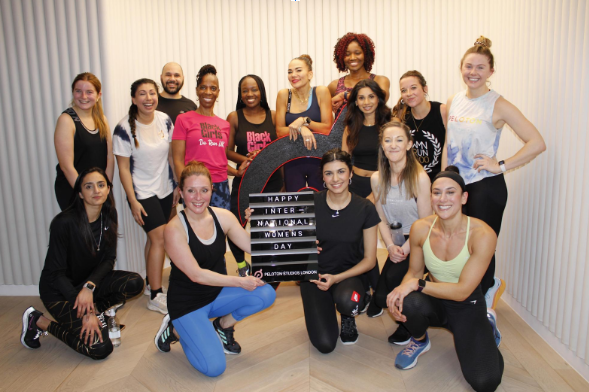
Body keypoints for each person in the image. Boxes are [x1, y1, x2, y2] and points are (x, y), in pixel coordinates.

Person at [443, 36, 546, 309]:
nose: (473, 73)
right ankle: (466, 295)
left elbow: (537, 143)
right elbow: (448, 142)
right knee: (457, 243)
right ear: (461, 68)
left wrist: (499, 165)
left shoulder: (497, 104)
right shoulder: (453, 101)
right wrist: (443, 180)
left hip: (485, 187)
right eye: (468, 66)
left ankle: (485, 294)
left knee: (482, 246)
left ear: (491, 72)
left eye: (480, 67)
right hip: (456, 186)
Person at [153, 161, 276, 377]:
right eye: (191, 191)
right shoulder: (173, 229)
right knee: (214, 368)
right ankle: (174, 328)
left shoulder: (223, 217)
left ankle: (222, 326)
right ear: (181, 192)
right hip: (187, 304)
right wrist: (240, 281)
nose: (198, 197)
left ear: (213, 190)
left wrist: (300, 246)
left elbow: (252, 246)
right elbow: (196, 274)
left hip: (216, 294)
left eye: (204, 190)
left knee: (265, 293)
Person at [387, 166, 504, 392]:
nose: (443, 199)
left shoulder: (483, 234)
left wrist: (417, 284)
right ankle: (419, 340)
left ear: (464, 197)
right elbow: (413, 273)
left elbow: (462, 291)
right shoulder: (421, 228)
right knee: (408, 300)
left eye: (451, 192)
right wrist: (400, 294)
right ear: (430, 197)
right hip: (435, 299)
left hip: (467, 304)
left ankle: (486, 323)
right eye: (437, 192)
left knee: (485, 382)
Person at [21, 168, 144, 359]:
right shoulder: (63, 223)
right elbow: (56, 273)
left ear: (108, 189)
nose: (96, 190)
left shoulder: (109, 215)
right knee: (100, 349)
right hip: (60, 291)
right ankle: (38, 321)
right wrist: (85, 311)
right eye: (89, 186)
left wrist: (89, 287)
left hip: (86, 285)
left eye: (101, 185)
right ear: (80, 193)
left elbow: (108, 259)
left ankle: (96, 312)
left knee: (135, 282)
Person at [298, 148, 380, 353]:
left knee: (347, 301)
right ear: (323, 177)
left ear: (351, 174)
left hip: (349, 275)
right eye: (329, 173)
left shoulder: (365, 208)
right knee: (325, 344)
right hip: (315, 277)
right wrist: (258, 217)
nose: (336, 179)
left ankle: (348, 316)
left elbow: (370, 260)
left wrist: (337, 278)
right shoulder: (309, 204)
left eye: (341, 171)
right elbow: (286, 240)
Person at [113, 78, 179, 314]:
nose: (148, 98)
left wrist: (177, 185)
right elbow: (122, 168)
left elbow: (171, 156)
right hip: (142, 192)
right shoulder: (123, 128)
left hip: (165, 189)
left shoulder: (164, 120)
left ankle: (151, 285)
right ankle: (156, 295)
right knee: (160, 239)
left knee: (154, 240)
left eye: (152, 93)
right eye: (142, 94)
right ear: (134, 99)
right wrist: (132, 201)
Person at [368, 121, 431, 330]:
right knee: (380, 296)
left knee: (396, 279)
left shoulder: (420, 178)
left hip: (419, 240)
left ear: (409, 144)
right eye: (387, 140)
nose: (393, 145)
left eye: (399, 140)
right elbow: (381, 219)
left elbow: (425, 223)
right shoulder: (377, 179)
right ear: (382, 147)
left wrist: (403, 250)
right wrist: (390, 247)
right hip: (395, 241)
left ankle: (409, 327)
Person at [226, 74, 283, 270]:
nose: (250, 94)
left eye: (254, 89)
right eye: (245, 90)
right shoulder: (234, 117)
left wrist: (264, 159)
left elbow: (282, 148)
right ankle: (242, 265)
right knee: (236, 223)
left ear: (261, 91)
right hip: (246, 181)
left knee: (268, 226)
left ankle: (269, 267)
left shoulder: (274, 115)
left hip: (273, 180)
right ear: (240, 94)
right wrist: (249, 160)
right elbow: (226, 150)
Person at [173, 65, 232, 210]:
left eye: (213, 88)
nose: (208, 92)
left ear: (218, 92)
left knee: (220, 229)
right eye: (203, 87)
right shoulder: (183, 119)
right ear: (197, 90)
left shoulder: (224, 125)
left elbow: (219, 160)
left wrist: (237, 172)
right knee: (195, 230)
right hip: (195, 186)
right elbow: (178, 160)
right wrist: (185, 187)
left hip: (221, 186)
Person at [54, 72, 114, 210]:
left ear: (99, 95)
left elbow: (109, 158)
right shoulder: (66, 120)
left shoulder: (102, 119)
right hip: (74, 190)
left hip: (97, 192)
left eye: (89, 92)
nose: (84, 96)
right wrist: (85, 193)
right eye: (78, 91)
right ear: (73, 93)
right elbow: (66, 166)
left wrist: (105, 189)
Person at [275, 54, 333, 192]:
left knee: (321, 204)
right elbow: (279, 131)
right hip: (292, 160)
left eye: (298, 70)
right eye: (290, 72)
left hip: (319, 159)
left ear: (310, 74)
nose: (293, 75)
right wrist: (302, 130)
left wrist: (304, 122)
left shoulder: (321, 92)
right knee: (296, 207)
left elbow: (327, 129)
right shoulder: (284, 95)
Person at [342, 79, 392, 199]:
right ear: (356, 102)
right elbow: (344, 161)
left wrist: (376, 192)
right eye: (361, 98)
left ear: (378, 99)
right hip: (355, 185)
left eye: (371, 97)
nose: (366, 102)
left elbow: (398, 162)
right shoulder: (350, 128)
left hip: (383, 184)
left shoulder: (391, 125)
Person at [393, 70, 446, 182]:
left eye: (413, 88)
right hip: (412, 181)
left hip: (439, 180)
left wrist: (443, 179)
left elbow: (451, 147)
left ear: (425, 89)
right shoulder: (401, 117)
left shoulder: (442, 111)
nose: (409, 93)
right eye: (404, 90)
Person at [328, 32, 391, 118]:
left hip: (371, 130)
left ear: (366, 55)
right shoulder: (334, 85)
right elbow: (321, 109)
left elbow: (380, 99)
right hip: (341, 131)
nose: (352, 57)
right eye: (347, 54)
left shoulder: (380, 80)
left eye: (357, 53)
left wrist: (344, 96)